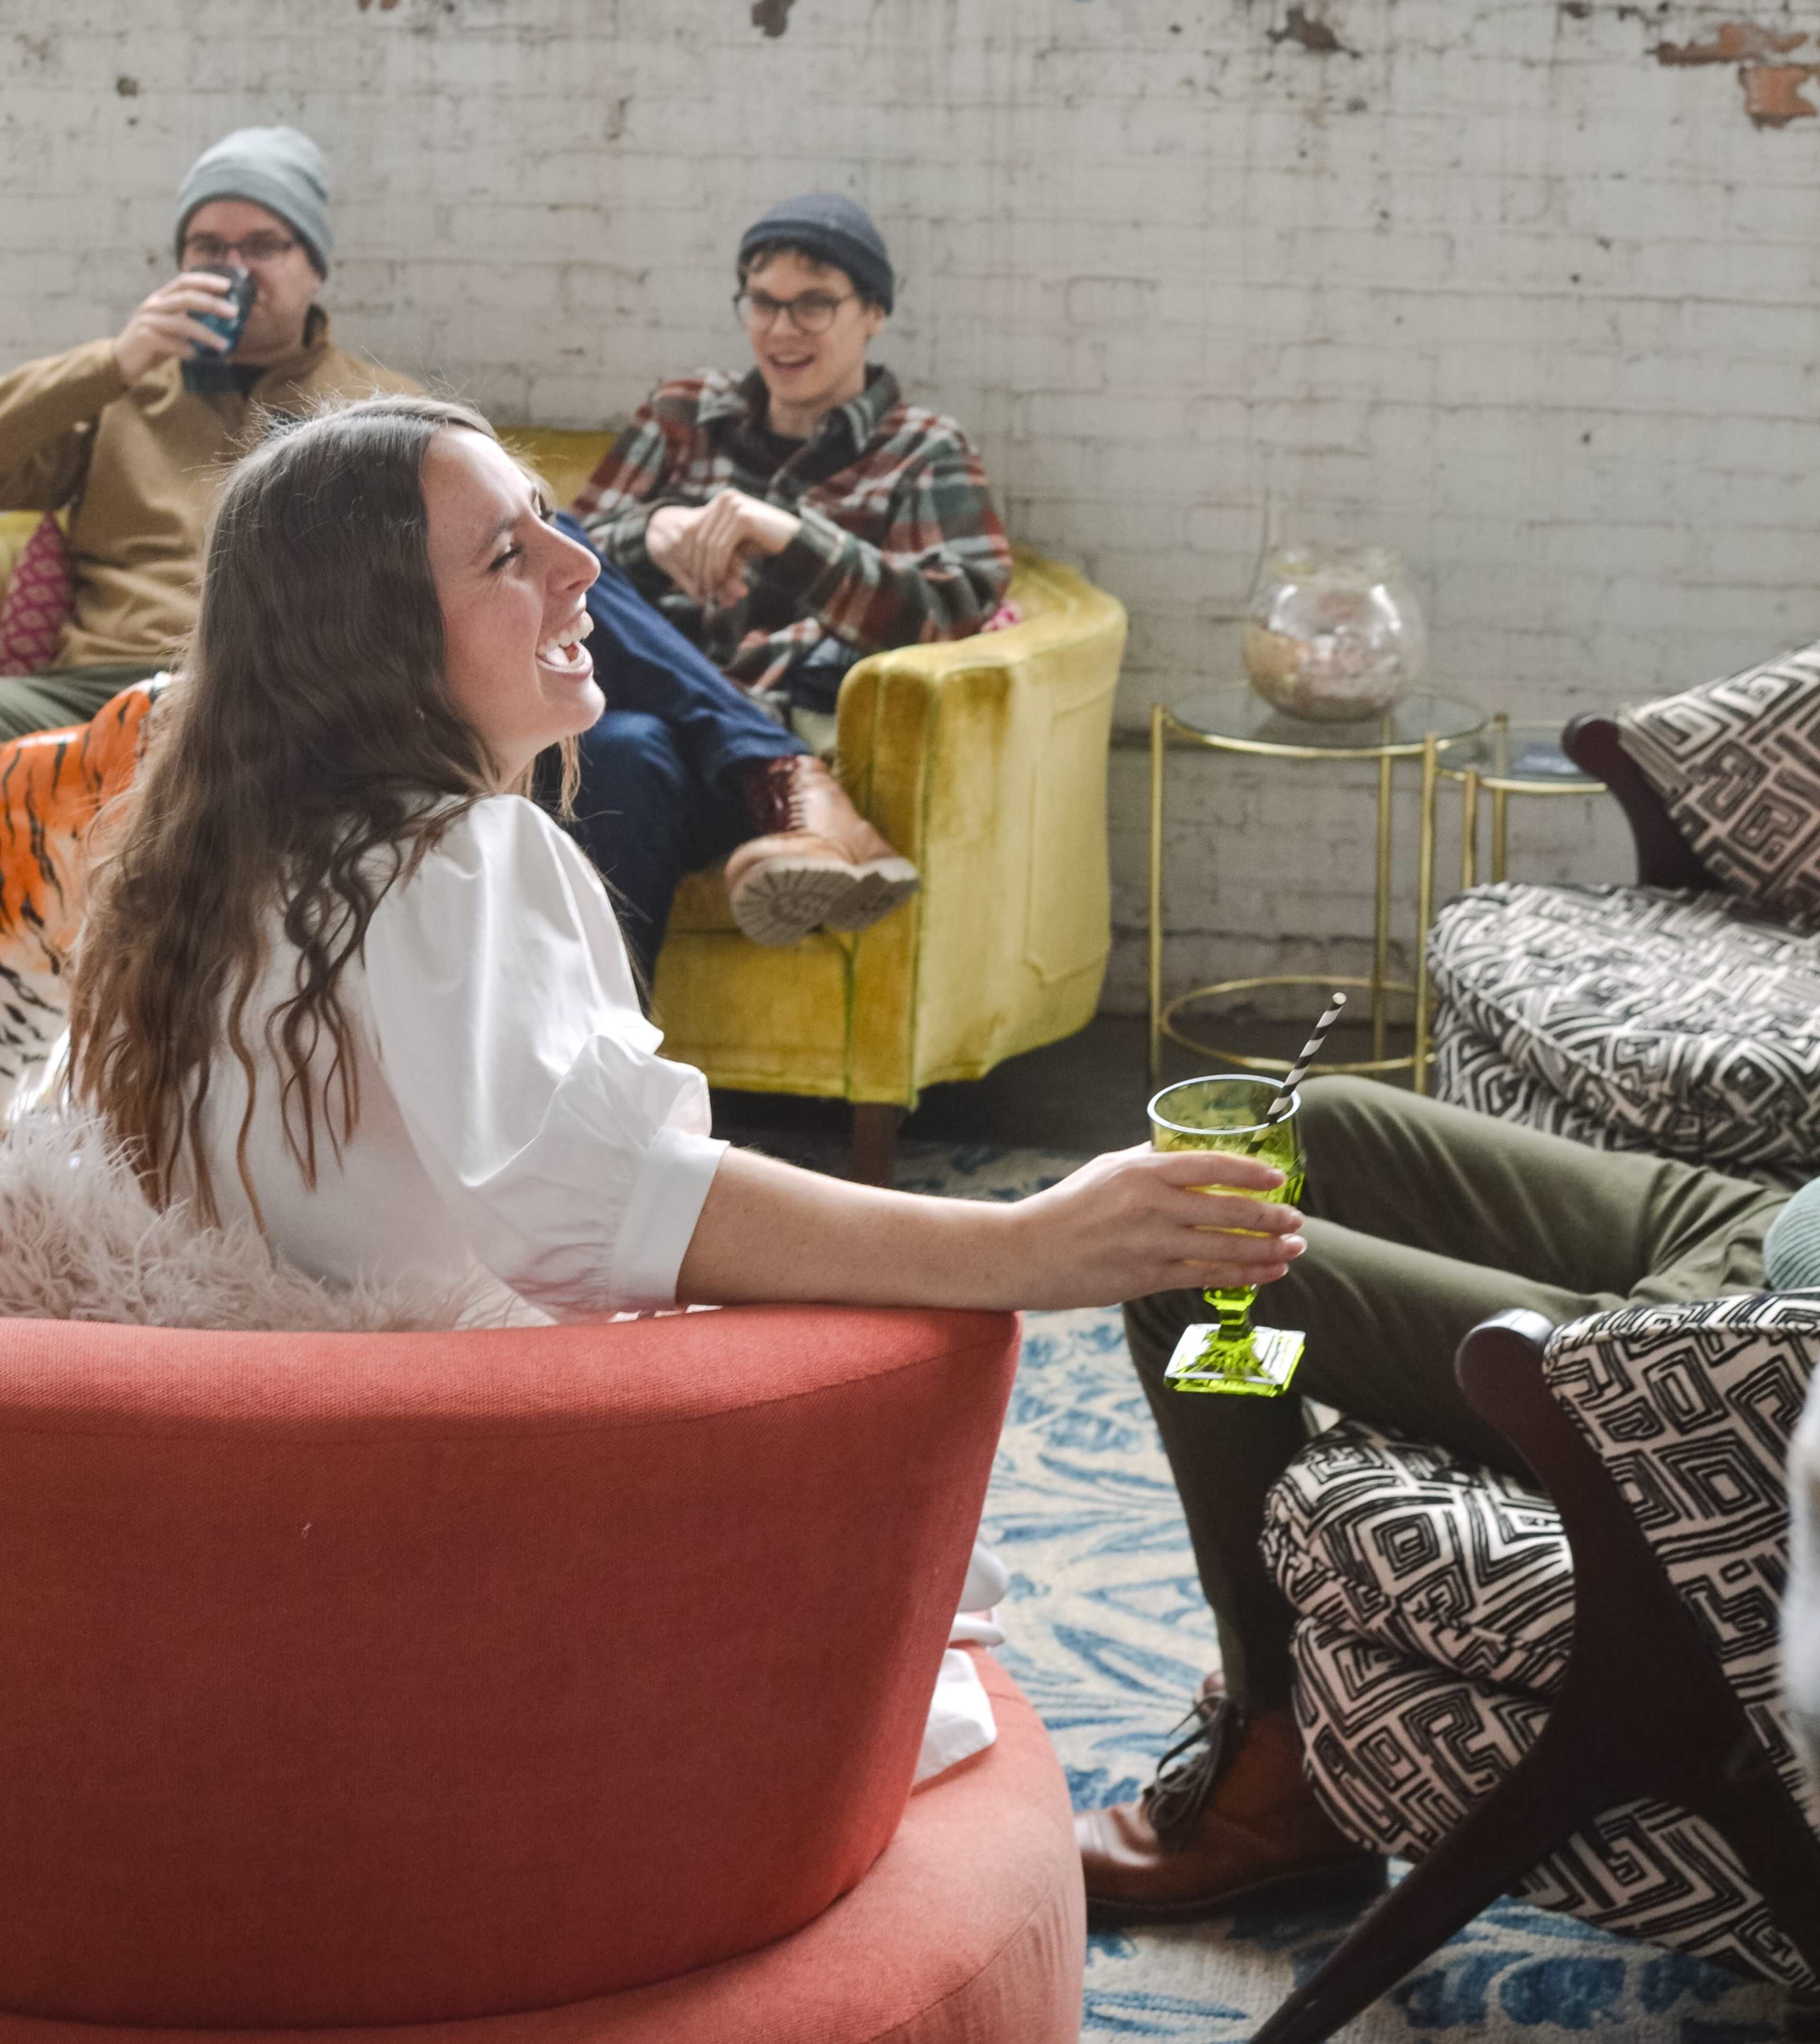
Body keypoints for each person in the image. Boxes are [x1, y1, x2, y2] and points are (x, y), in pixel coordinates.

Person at [65, 395, 1301, 1343]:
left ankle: (781, 785)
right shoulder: (458, 859)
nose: (581, 567)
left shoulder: (214, 865)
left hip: (309, 1455)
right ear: (371, 642)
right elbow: (604, 1205)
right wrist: (1023, 1247)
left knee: (643, 752)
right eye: (509, 556)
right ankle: (785, 787)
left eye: (552, 521)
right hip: (470, 1472)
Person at [1074, 1073, 1803, 1922]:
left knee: (1196, 1276)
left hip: (1766, 1355)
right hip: (1776, 1224)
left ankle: (1279, 1762)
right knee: (1310, 1134)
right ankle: (1283, 1710)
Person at [563, 193, 1013, 977]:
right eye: (764, 302)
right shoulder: (683, 413)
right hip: (655, 733)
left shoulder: (922, 451)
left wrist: (786, 539)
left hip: (773, 760)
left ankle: (776, 762)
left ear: (873, 311)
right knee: (617, 733)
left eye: (813, 305)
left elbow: (953, 608)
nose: (781, 328)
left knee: (621, 752)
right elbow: (550, 575)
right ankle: (606, 1073)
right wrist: (650, 531)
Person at [0, 126, 414, 742]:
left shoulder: (384, 409)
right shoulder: (121, 396)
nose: (234, 269)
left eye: (262, 245)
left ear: (314, 268)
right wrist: (114, 362)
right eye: (209, 248)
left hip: (293, 696)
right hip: (105, 691)